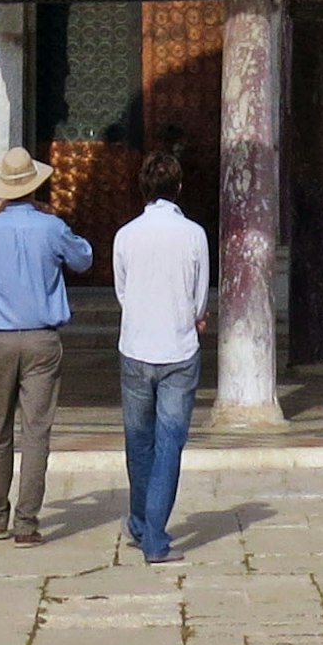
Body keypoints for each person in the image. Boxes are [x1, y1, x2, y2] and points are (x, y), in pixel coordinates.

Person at [0, 147, 92, 546]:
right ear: (34, 187)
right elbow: (83, 258)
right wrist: (53, 223)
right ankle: (27, 523)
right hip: (43, 340)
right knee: (36, 432)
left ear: (2, 191)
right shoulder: (52, 226)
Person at [109, 147, 211, 566]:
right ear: (180, 188)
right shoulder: (194, 235)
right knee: (169, 443)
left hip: (135, 347)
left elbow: (121, 291)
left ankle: (140, 521)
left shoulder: (125, 235)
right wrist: (194, 316)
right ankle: (153, 536)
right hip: (178, 349)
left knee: (139, 441)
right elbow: (201, 293)